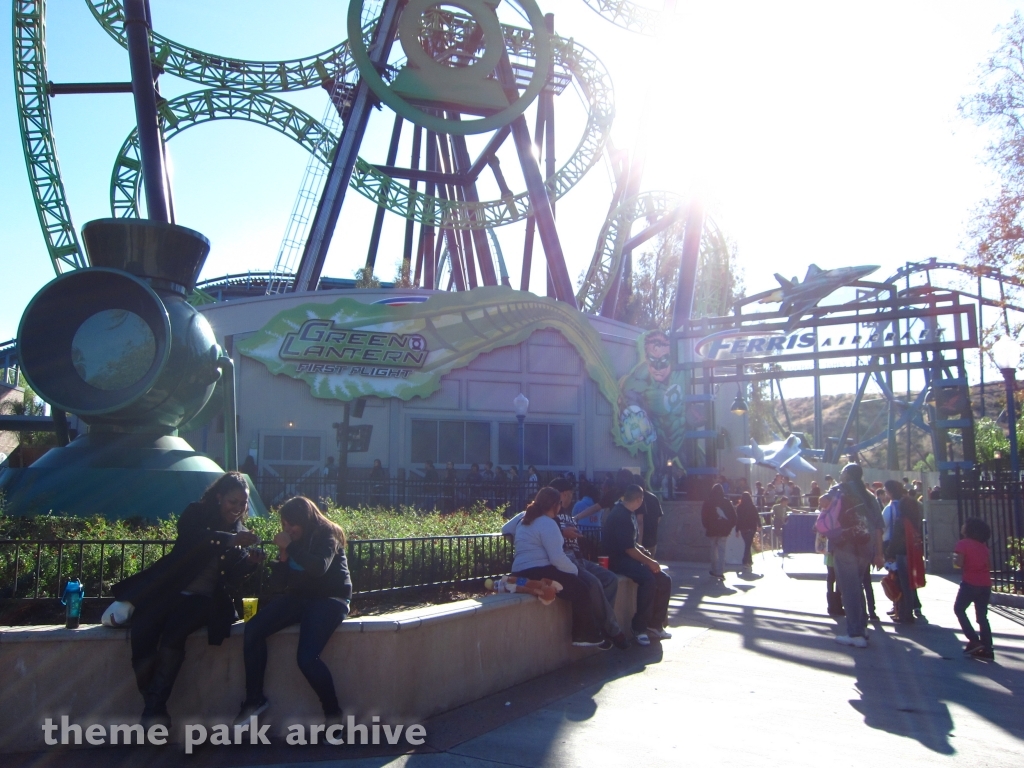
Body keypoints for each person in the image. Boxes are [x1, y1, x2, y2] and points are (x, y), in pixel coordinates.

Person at [111, 472, 263, 727]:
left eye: (243, 503)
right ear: (219, 497)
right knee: (143, 630)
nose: (238, 509)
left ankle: (153, 714)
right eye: (232, 502)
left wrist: (249, 562)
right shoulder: (196, 513)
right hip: (170, 590)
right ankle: (154, 707)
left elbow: (233, 577)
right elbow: (193, 540)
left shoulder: (241, 533)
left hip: (205, 599)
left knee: (174, 633)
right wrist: (229, 539)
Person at [237, 497, 352, 723]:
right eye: (285, 525)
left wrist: (291, 546)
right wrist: (282, 558)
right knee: (253, 630)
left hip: (329, 599)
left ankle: (333, 714)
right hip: (300, 597)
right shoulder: (291, 544)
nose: (288, 530)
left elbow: (319, 567)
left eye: (292, 525)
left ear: (306, 521)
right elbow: (279, 586)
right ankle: (254, 699)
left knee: (307, 658)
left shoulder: (327, 533)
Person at [505, 479, 629, 650]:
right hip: (541, 569)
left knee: (591, 584)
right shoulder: (547, 523)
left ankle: (596, 631)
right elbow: (557, 558)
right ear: (555, 505)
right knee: (582, 588)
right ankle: (585, 634)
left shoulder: (524, 520)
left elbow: (505, 529)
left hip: (520, 570)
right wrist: (574, 572)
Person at [601, 484, 673, 646]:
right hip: (618, 560)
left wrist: (645, 554)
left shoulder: (627, 512)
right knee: (648, 580)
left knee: (664, 580)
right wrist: (649, 561)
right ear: (639, 500)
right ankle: (639, 627)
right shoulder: (621, 514)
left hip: (627, 557)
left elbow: (632, 543)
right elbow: (628, 548)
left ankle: (655, 625)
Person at [831, 463, 885, 648]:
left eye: (842, 471)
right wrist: (879, 553)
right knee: (858, 586)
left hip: (845, 545)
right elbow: (879, 527)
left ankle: (855, 634)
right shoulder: (870, 496)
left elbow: (824, 505)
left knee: (849, 590)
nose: (840, 474)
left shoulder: (839, 490)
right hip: (866, 547)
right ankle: (861, 627)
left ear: (846, 474)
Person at [883, 480, 924, 624]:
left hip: (900, 554)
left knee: (902, 584)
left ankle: (904, 614)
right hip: (912, 553)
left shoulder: (900, 520)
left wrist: (888, 553)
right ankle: (911, 609)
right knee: (909, 584)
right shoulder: (913, 519)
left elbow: (895, 540)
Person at [953, 517, 994, 659]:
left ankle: (974, 640)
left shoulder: (962, 544)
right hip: (985, 584)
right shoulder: (983, 547)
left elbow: (959, 563)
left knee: (959, 609)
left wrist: (954, 560)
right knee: (982, 617)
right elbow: (988, 566)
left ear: (969, 529)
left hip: (970, 582)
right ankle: (988, 648)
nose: (962, 525)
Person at [702, 483, 736, 579]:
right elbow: (734, 517)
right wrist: (728, 527)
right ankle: (720, 571)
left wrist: (707, 527)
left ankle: (714, 570)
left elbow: (704, 518)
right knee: (722, 551)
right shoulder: (727, 502)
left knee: (713, 551)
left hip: (712, 531)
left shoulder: (707, 502)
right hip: (724, 531)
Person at [634, 473, 664, 556]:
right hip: (652, 539)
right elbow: (659, 516)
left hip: (638, 542)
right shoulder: (653, 497)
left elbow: (639, 520)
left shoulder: (634, 499)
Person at [735, 491, 760, 570]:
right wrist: (759, 525)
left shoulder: (739, 507)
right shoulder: (752, 507)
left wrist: (737, 530)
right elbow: (756, 516)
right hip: (751, 527)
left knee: (747, 544)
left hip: (743, 528)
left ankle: (749, 561)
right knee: (748, 545)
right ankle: (745, 561)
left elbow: (738, 519)